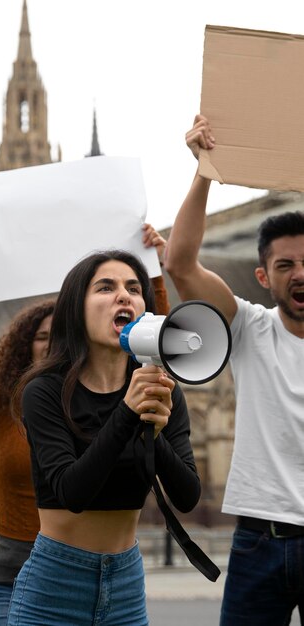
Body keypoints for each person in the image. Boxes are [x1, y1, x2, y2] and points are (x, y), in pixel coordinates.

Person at [0, 226, 170, 626]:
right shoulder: (1, 406)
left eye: (54, 335)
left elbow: (153, 344)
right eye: (40, 336)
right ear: (24, 345)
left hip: (106, 567)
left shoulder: (111, 394)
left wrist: (155, 274)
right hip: (23, 572)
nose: (48, 344)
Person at [5, 248, 200, 626]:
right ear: (76, 309)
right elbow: (72, 492)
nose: (123, 295)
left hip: (126, 583)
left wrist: (154, 435)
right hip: (55, 583)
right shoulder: (44, 390)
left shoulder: (163, 390)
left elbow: (188, 495)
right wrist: (127, 413)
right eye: (105, 287)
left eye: (133, 288)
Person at [163, 114, 304, 625]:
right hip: (257, 542)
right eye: (286, 265)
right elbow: (180, 263)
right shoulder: (250, 327)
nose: (300, 275)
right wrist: (204, 168)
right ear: (264, 276)